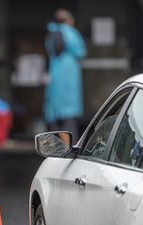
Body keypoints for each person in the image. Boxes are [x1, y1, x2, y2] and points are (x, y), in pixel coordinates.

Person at [44, 9, 87, 142]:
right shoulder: (70, 32)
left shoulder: (51, 34)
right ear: (69, 20)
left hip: (55, 76)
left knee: (55, 112)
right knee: (69, 114)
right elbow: (80, 51)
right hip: (68, 77)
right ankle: (70, 143)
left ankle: (55, 144)